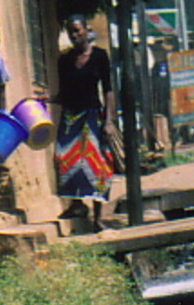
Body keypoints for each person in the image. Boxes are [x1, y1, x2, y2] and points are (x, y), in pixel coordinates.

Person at [51, 12, 117, 232]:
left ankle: (98, 217)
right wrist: (46, 100)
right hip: (71, 117)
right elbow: (63, 93)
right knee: (63, 158)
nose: (74, 36)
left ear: (86, 31)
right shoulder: (65, 60)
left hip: (92, 116)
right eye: (70, 33)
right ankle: (77, 204)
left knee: (96, 163)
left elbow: (108, 90)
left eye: (77, 31)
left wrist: (109, 120)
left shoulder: (99, 56)